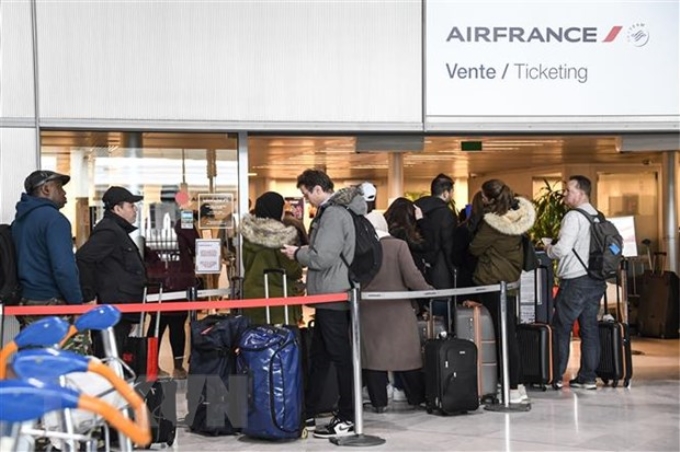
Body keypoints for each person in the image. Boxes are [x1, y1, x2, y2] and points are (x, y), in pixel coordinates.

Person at [281, 169, 362, 439]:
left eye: (306, 194)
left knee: (338, 357)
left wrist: (297, 253)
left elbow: (323, 257)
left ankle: (348, 416)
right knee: (321, 356)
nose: (307, 200)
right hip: (328, 294)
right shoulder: (334, 213)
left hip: (333, 296)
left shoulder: (334, 214)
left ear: (318, 189)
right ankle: (311, 411)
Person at [468, 179, 535, 404]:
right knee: (509, 335)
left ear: (487, 199)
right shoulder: (518, 217)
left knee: (502, 337)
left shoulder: (493, 224)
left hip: (493, 281)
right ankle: (517, 384)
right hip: (510, 281)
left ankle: (511, 387)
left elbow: (474, 247)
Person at [360, 211, 432, 412]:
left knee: (373, 358)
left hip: (367, 310)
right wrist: (428, 290)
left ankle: (379, 403)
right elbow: (412, 276)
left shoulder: (360, 247)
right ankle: (415, 398)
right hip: (398, 309)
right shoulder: (399, 246)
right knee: (407, 356)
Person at [12, 170, 89, 353]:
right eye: (60, 188)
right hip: (53, 307)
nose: (64, 193)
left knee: (36, 365)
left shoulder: (20, 222)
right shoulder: (54, 220)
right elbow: (63, 268)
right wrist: (76, 305)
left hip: (28, 305)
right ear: (46, 189)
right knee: (72, 369)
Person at [545, 175, 606, 390]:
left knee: (562, 327)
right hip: (595, 280)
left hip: (575, 281)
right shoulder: (597, 215)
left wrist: (548, 249)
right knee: (589, 327)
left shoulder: (573, 216)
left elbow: (562, 249)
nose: (565, 194)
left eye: (568, 190)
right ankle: (588, 377)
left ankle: (556, 375)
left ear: (580, 193)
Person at [76, 186, 146, 358]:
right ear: (117, 209)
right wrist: (89, 296)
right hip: (113, 310)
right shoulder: (109, 231)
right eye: (130, 205)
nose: (135, 209)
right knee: (109, 359)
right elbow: (84, 258)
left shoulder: (117, 230)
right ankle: (106, 386)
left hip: (120, 311)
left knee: (115, 358)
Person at [240, 191, 304, 325]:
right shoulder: (280, 237)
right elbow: (293, 271)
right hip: (277, 300)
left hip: (252, 296)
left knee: (255, 340)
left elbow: (246, 264)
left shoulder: (248, 236)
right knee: (280, 342)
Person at [414, 173, 458, 315]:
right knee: (441, 314)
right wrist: (454, 268)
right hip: (441, 270)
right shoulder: (446, 214)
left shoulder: (415, 209)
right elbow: (448, 244)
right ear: (445, 193)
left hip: (418, 267)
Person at [383, 197, 431, 279]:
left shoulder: (386, 231)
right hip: (409, 279)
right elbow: (427, 244)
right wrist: (421, 220)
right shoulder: (406, 234)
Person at [452, 191, 485, 289]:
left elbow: (456, 258)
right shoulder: (494, 230)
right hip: (489, 281)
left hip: (466, 281)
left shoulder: (463, 229)